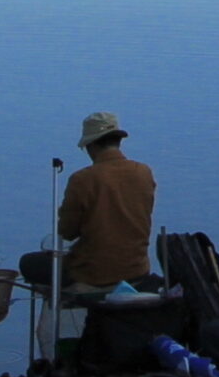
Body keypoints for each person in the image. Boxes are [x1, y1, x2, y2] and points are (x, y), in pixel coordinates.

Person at [55, 112, 157, 292]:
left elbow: (67, 232)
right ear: (118, 141)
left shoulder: (82, 180)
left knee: (30, 263)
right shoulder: (144, 173)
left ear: (91, 145)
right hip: (137, 270)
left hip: (95, 275)